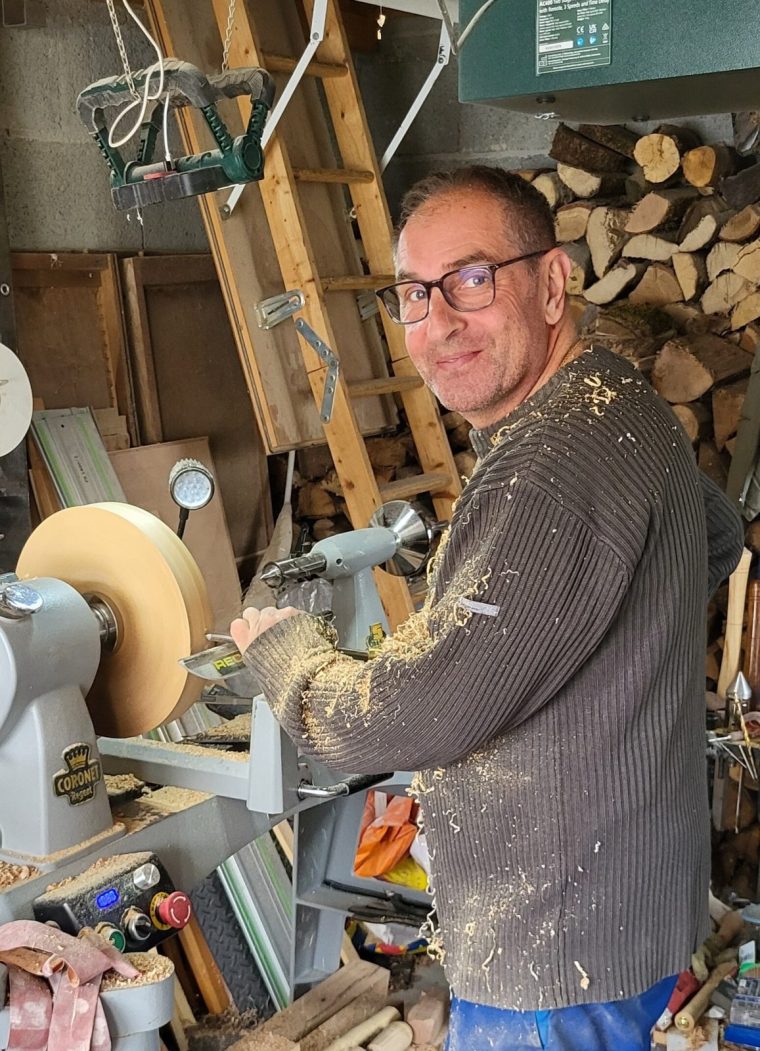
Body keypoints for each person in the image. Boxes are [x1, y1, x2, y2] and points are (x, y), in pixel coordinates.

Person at [231, 166, 744, 1051]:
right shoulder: (620, 399)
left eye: (472, 278)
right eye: (414, 293)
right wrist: (589, 623)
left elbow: (403, 718)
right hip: (624, 922)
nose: (439, 323)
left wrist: (289, 657)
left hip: (554, 957)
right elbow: (719, 534)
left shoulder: (549, 463)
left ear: (552, 283)